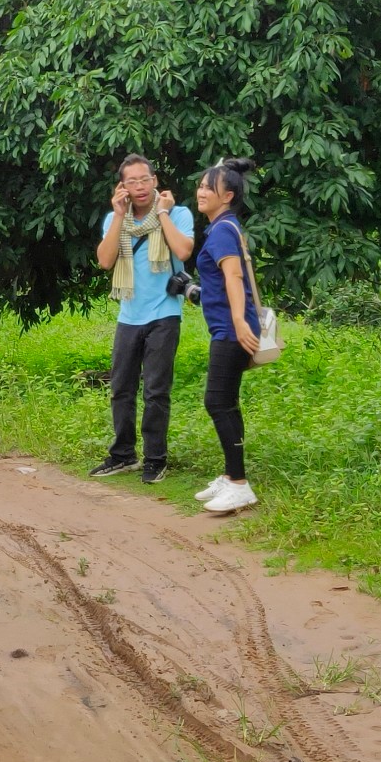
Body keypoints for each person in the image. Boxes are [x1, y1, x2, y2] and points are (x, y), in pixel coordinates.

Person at [89, 154, 195, 485]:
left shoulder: (177, 213)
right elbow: (105, 261)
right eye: (132, 181)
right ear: (122, 187)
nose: (139, 187)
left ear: (155, 180)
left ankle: (156, 458)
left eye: (144, 179)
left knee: (155, 390)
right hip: (129, 314)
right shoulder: (114, 219)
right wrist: (119, 215)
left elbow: (183, 251)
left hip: (165, 313)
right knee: (120, 388)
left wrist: (162, 213)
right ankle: (123, 455)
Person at [191, 158, 262, 515]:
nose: (201, 191)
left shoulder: (222, 230)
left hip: (231, 331)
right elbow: (221, 283)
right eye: (201, 185)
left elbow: (234, 278)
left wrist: (238, 322)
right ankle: (231, 476)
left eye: (209, 187)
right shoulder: (225, 227)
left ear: (228, 196)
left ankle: (238, 483)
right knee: (227, 402)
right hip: (230, 327)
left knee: (216, 402)